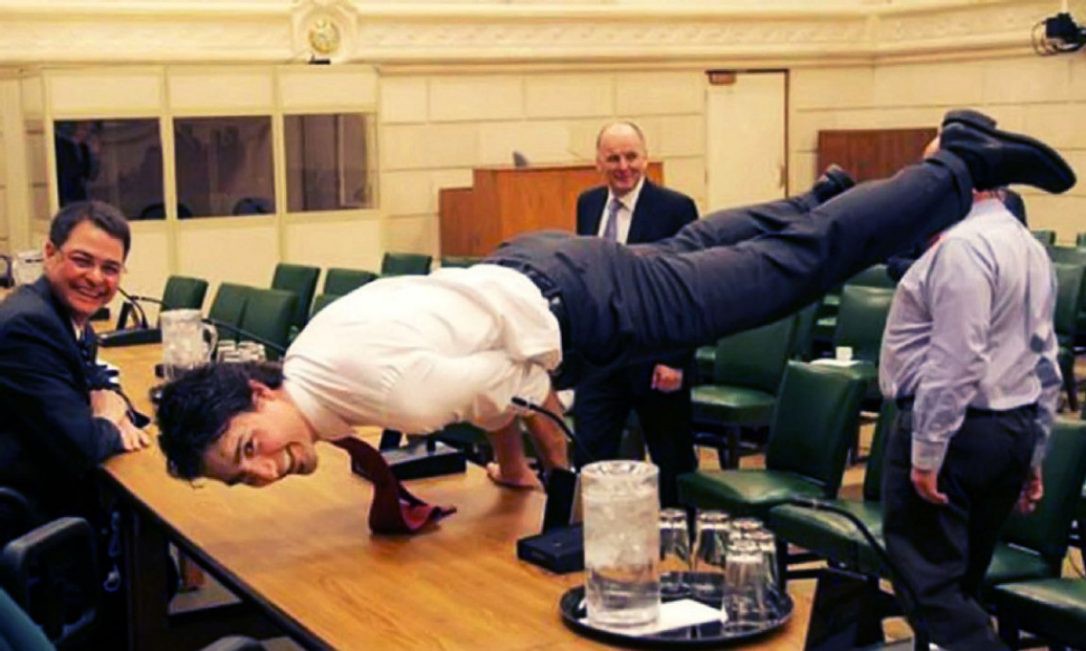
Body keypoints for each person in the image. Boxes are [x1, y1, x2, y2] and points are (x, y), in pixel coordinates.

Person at [157, 110, 1076, 492]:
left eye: (251, 449)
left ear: (256, 395)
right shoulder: (318, 353)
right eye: (246, 476)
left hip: (587, 307)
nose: (266, 470)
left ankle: (958, 165)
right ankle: (822, 191)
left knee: (796, 269)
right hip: (538, 264)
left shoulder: (388, 397)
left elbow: (516, 388)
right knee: (704, 243)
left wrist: (526, 437)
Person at [878, 162, 1061, 646]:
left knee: (930, 589)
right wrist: (1034, 451)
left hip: (956, 433)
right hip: (1008, 428)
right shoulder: (1028, 245)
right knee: (962, 585)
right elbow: (1047, 360)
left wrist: (927, 451)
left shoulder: (961, 246)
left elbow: (956, 360)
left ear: (957, 181)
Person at [0, 200, 151, 643]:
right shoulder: (29, 326)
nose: (96, 278)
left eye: (111, 268)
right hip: (32, 516)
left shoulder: (63, 316)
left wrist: (109, 407)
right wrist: (106, 419)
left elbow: (100, 385)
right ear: (49, 253)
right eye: (82, 260)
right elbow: (83, 443)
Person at [572, 121, 698, 506]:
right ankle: (595, 536)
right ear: (598, 162)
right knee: (590, 453)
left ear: (645, 158)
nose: (623, 166)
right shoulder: (588, 203)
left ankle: (681, 541)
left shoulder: (675, 208)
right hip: (601, 358)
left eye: (631, 156)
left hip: (655, 357)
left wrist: (675, 359)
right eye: (613, 158)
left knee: (671, 458)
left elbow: (690, 287)